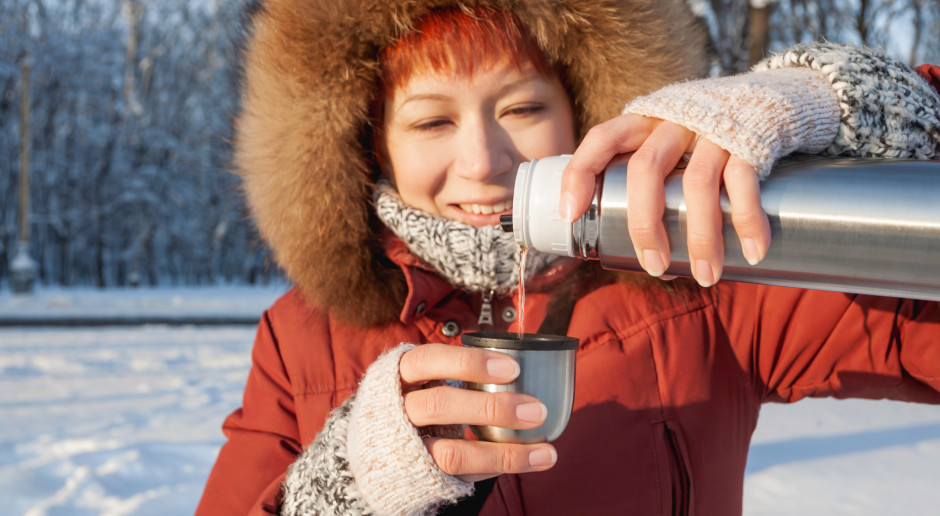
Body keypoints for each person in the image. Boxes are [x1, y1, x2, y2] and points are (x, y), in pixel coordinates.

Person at [195, 1, 940, 514]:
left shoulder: (694, 277)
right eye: (431, 121)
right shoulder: (300, 341)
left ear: (583, 110)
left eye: (521, 108)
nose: (483, 161)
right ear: (370, 144)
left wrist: (846, 111)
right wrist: (346, 490)